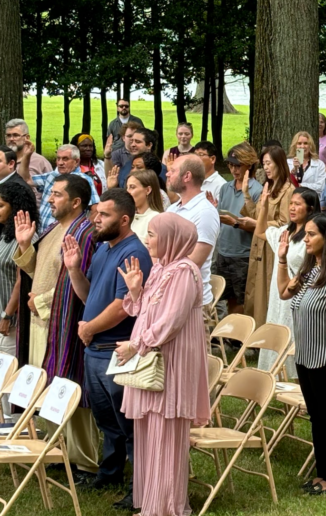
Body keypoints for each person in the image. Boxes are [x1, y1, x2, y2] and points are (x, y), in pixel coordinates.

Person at [62, 188, 153, 507]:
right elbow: (89, 297)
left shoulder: (134, 253)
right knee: (107, 421)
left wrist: (88, 328)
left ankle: (141, 487)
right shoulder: (102, 249)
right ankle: (110, 473)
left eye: (104, 215)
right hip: (95, 350)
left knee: (129, 425)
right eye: (95, 214)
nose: (95, 220)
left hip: (116, 351)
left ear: (124, 219)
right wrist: (73, 268)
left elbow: (122, 306)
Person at [116, 213, 209, 515]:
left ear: (171, 238)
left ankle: (167, 507)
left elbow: (171, 322)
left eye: (153, 234)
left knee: (166, 435)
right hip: (153, 357)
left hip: (170, 360)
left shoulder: (184, 271)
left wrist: (136, 345)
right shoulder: (161, 268)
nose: (148, 240)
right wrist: (135, 290)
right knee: (149, 432)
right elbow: (145, 311)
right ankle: (151, 503)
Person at [15, 175, 99, 475]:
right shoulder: (53, 229)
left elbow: (77, 281)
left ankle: (83, 460)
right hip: (42, 324)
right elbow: (37, 270)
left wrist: (40, 302)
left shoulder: (85, 233)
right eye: (51, 193)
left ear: (76, 202)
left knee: (69, 387)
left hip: (65, 325)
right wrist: (25, 246)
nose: (50, 199)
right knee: (48, 388)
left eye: (57, 194)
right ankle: (57, 450)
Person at [277, 212, 326, 494]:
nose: (305, 239)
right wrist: (282, 258)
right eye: (305, 234)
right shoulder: (311, 269)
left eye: (311, 235)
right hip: (305, 357)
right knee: (316, 416)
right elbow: (284, 292)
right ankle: (322, 471)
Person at [255, 187, 319, 377]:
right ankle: (275, 376)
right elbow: (260, 231)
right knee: (277, 328)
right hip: (278, 296)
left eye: (297, 204)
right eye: (291, 203)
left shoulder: (312, 237)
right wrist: (264, 205)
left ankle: (296, 376)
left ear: (310, 208)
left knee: (294, 335)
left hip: (298, 296)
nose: (292, 208)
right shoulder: (285, 231)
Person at [241, 146, 292, 327]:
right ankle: (254, 330)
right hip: (259, 244)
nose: (266, 168)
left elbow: (285, 223)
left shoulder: (288, 190)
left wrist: (257, 225)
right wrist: (246, 193)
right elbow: (256, 214)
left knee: (266, 289)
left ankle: (268, 330)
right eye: (264, 164)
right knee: (255, 289)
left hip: (272, 246)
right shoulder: (268, 187)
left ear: (279, 163)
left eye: (269, 163)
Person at [0, 182, 38, 420]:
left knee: (7, 376)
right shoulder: (3, 233)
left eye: (1, 205)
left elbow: (20, 281)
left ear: (16, 208)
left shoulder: (23, 237)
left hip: (10, 319)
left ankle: (13, 423)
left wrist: (8, 314)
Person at [165, 155, 221, 312]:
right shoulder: (173, 209)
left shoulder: (205, 213)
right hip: (170, 295)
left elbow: (193, 263)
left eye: (173, 171)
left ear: (187, 176)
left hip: (193, 304)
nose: (167, 174)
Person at [213, 143, 263, 316]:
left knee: (243, 300)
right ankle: (231, 336)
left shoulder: (257, 190)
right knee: (228, 298)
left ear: (249, 165)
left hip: (243, 253)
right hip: (224, 250)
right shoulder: (225, 188)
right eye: (231, 164)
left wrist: (235, 222)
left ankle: (238, 338)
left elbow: (259, 225)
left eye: (238, 165)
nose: (234, 169)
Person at [16, 142, 100, 231]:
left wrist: (82, 233)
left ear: (76, 161)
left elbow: (95, 210)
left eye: (65, 159)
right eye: (58, 158)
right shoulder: (51, 176)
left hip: (64, 237)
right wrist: (27, 155)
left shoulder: (83, 180)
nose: (60, 163)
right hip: (42, 234)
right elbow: (25, 179)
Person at [126, 169, 164, 241]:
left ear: (148, 190)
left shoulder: (156, 219)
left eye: (132, 187)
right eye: (127, 187)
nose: (127, 192)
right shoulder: (127, 217)